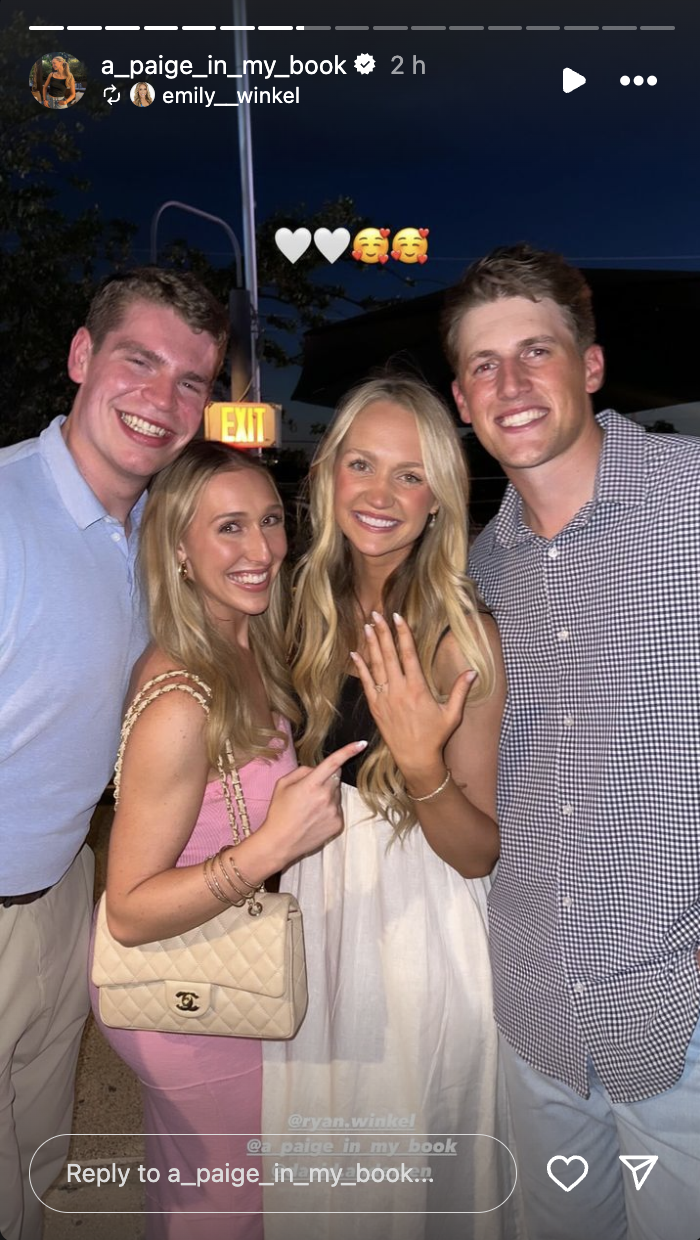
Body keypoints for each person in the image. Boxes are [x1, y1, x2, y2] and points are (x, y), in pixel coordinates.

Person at [444, 242, 700, 1240]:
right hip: (537, 1019)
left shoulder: (689, 502)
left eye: (534, 351)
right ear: (461, 401)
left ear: (588, 366)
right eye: (482, 364)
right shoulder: (479, 575)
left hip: (675, 1016)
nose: (509, 383)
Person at [0, 267, 229, 1240]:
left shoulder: (144, 536)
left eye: (191, 380)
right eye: (140, 361)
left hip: (62, 892)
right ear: (83, 358)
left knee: (39, 1159)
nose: (163, 398)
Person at [263, 376, 520, 1239]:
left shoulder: (461, 632)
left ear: (441, 499)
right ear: (326, 474)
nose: (381, 494)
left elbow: (480, 851)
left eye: (411, 475)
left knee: (410, 1173)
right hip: (311, 911)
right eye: (362, 464)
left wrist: (418, 764)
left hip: (418, 936)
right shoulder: (293, 599)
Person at [90, 440, 365, 1239]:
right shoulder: (184, 697)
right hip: (185, 988)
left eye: (271, 521)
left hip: (205, 967)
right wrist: (270, 849)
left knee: (196, 1190)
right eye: (230, 529)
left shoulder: (243, 644)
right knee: (235, 1203)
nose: (262, 550)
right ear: (178, 547)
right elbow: (131, 910)